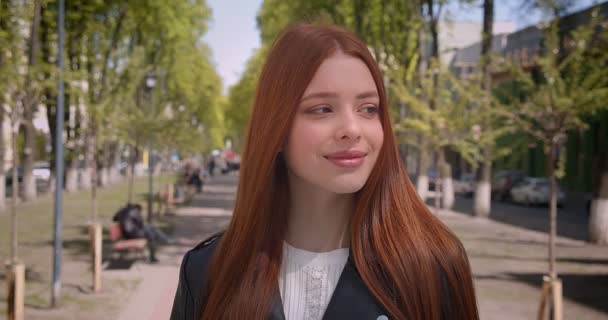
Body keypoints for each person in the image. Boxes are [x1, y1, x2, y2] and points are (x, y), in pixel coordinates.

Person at [170, 24, 479, 320]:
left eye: (368, 109)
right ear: (276, 129)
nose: (352, 129)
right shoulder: (209, 271)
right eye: (322, 109)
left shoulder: (432, 266)